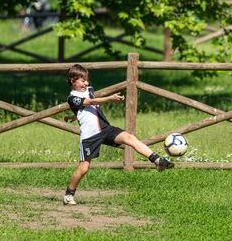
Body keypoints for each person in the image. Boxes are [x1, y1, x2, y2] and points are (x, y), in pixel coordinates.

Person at [63, 64, 174, 205]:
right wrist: (110, 98)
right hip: (90, 137)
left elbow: (87, 107)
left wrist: (73, 117)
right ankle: (69, 194)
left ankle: (158, 161)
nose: (86, 83)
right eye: (82, 80)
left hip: (105, 129)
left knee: (129, 138)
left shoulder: (89, 90)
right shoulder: (72, 98)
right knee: (84, 168)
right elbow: (89, 102)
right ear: (73, 81)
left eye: (87, 80)